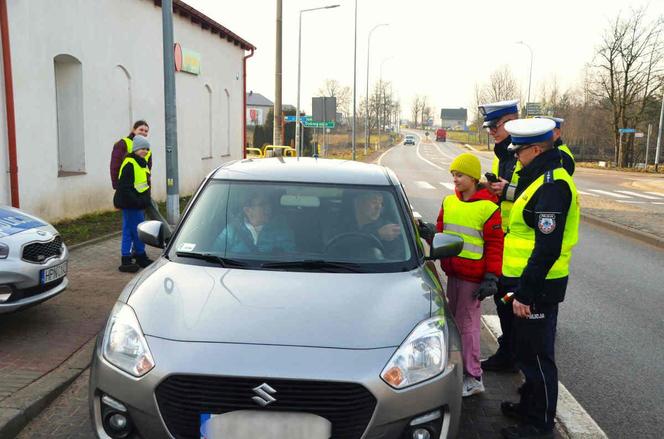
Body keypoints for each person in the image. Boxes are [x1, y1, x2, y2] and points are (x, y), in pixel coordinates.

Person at [498, 119, 580, 439]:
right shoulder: (538, 179)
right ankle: (528, 408)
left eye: (519, 151)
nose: (516, 157)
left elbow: (547, 247)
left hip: (539, 285)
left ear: (535, 149)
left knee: (538, 357)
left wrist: (526, 293)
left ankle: (540, 425)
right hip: (526, 281)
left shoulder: (552, 186)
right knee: (526, 351)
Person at [435, 153, 504, 397]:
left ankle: (474, 377)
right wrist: (427, 235)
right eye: (453, 174)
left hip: (473, 279)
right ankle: (460, 370)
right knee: (456, 322)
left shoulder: (488, 208)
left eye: (460, 175)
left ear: (474, 177)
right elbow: (440, 231)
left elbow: (496, 245)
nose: (455, 178)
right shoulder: (449, 201)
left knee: (468, 327)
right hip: (453, 272)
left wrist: (491, 277)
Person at [478, 99, 520, 373]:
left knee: (512, 300)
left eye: (496, 125)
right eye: (489, 127)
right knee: (504, 299)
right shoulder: (504, 152)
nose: (492, 130)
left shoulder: (523, 150)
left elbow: (537, 194)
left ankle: (512, 354)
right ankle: (511, 348)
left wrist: (504, 191)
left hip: (521, 241)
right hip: (505, 238)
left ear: (512, 121)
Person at [113, 135, 154, 272]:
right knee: (137, 232)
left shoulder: (141, 163)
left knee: (129, 231)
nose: (145, 151)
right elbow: (124, 187)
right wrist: (137, 201)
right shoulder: (130, 163)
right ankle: (140, 256)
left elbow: (144, 184)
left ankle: (127, 259)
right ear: (135, 149)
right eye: (142, 148)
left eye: (147, 149)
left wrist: (145, 200)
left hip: (137, 204)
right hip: (132, 205)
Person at [215, 192, 295, 255]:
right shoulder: (230, 232)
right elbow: (216, 253)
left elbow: (291, 256)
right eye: (262, 204)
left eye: (268, 204)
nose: (268, 208)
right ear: (248, 211)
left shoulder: (280, 230)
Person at [110, 120, 151, 190]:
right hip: (127, 186)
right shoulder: (123, 143)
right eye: (141, 129)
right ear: (134, 130)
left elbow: (148, 169)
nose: (143, 133)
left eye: (146, 131)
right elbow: (115, 166)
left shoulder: (147, 149)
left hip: (141, 188)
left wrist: (148, 187)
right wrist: (117, 185)